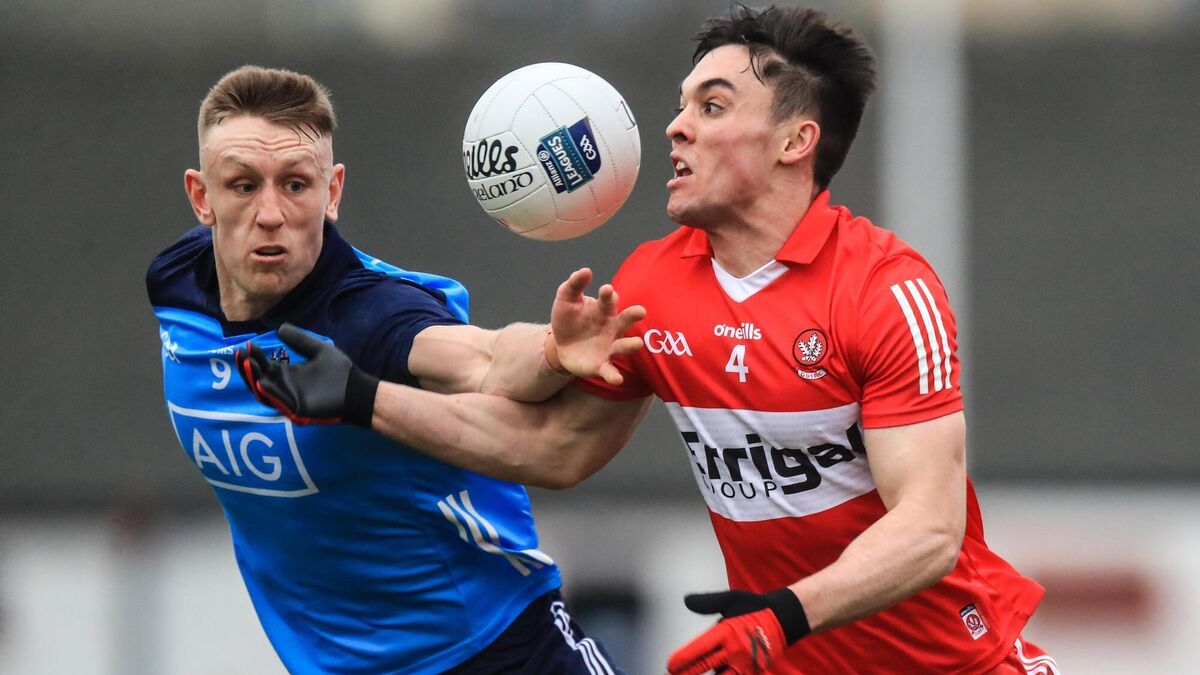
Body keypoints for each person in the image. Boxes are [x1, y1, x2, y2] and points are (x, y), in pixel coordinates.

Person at [240, 6, 1061, 674]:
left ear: (795, 141)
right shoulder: (656, 284)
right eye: (681, 105)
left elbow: (928, 529)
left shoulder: (886, 290)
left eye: (711, 107)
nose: (674, 128)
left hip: (955, 662)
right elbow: (555, 448)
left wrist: (784, 614)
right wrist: (364, 397)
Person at [146, 65, 644, 674]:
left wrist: (552, 349)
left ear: (332, 193)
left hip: (499, 650)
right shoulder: (175, 283)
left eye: (296, 184)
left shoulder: (370, 313)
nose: (270, 212)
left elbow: (482, 358)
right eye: (243, 185)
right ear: (202, 197)